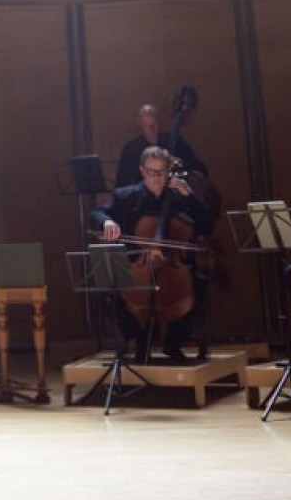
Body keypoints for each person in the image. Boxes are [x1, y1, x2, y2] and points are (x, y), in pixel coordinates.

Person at [90, 145, 214, 361]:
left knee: (201, 283)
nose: (156, 177)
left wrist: (190, 196)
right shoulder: (126, 196)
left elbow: (206, 224)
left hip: (175, 266)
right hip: (137, 264)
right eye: (151, 171)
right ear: (141, 170)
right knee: (107, 288)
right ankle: (135, 338)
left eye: (161, 172)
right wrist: (108, 221)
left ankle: (173, 343)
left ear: (168, 171)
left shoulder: (180, 196)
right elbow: (97, 212)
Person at [114, 100, 208, 190]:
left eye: (154, 124)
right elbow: (122, 183)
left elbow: (199, 167)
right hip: (143, 201)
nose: (151, 129)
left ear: (159, 122)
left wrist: (180, 165)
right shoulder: (131, 149)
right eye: (147, 125)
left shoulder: (176, 142)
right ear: (140, 124)